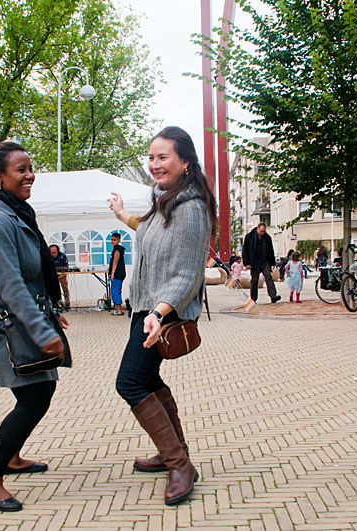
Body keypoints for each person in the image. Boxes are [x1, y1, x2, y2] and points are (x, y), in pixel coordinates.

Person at [107, 126, 215, 505]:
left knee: (130, 383)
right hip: (148, 308)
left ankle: (179, 464)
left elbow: (188, 274)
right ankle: (175, 452)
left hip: (164, 312)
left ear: (185, 161)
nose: (154, 164)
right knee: (147, 378)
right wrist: (124, 216)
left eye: (163, 157)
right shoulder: (164, 200)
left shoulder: (191, 208)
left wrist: (157, 312)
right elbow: (151, 232)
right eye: (151, 157)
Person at [0, 142, 70, 512]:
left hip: (22, 320)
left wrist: (51, 311)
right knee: (34, 398)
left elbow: (33, 275)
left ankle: (11, 459)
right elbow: (9, 284)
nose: (29, 176)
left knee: (36, 394)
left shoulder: (17, 213)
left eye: (31, 168)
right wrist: (44, 333)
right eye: (20, 170)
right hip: (1, 327)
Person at [241, 223, 282, 303]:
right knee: (254, 280)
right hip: (254, 262)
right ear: (258, 229)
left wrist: (272, 262)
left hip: (264, 261)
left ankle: (273, 296)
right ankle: (253, 299)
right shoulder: (249, 237)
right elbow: (245, 251)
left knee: (268, 277)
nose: (262, 233)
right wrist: (246, 263)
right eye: (261, 231)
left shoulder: (267, 238)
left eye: (264, 231)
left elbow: (270, 250)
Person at [109, 232, 127, 315]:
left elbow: (115, 262)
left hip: (118, 274)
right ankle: (117, 309)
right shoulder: (116, 249)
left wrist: (112, 273)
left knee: (115, 291)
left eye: (114, 240)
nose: (112, 241)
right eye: (112, 240)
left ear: (119, 240)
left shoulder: (117, 250)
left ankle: (119, 311)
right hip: (118, 273)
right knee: (114, 291)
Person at [49, 245, 70, 310]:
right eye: (52, 253)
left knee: (65, 287)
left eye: (55, 252)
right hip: (52, 275)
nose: (54, 254)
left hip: (62, 275)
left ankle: (67, 304)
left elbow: (66, 268)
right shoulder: (48, 257)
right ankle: (55, 303)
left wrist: (60, 277)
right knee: (53, 288)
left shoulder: (62, 256)